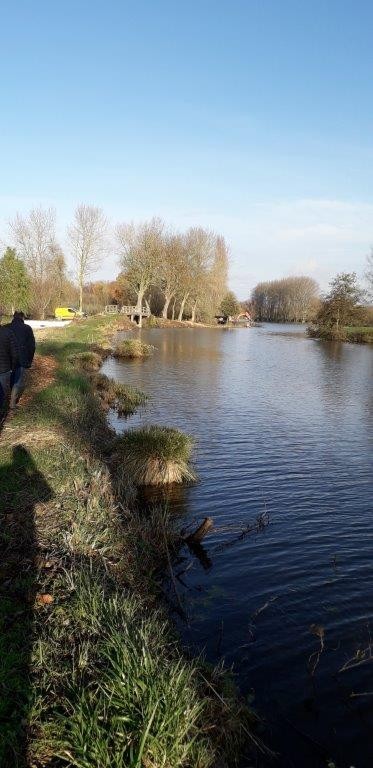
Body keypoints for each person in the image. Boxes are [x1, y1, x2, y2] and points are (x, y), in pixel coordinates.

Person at [9, 311, 36, 409]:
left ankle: (4, 402)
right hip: (21, 358)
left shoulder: (5, 327)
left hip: (7, 359)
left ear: (13, 317)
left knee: (7, 379)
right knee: (17, 380)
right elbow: (32, 346)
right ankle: (12, 403)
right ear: (22, 317)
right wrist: (30, 359)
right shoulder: (27, 328)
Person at [0, 318, 19, 413]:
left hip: (4, 368)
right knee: (2, 394)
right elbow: (15, 354)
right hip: (4, 369)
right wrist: (12, 367)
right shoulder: (7, 332)